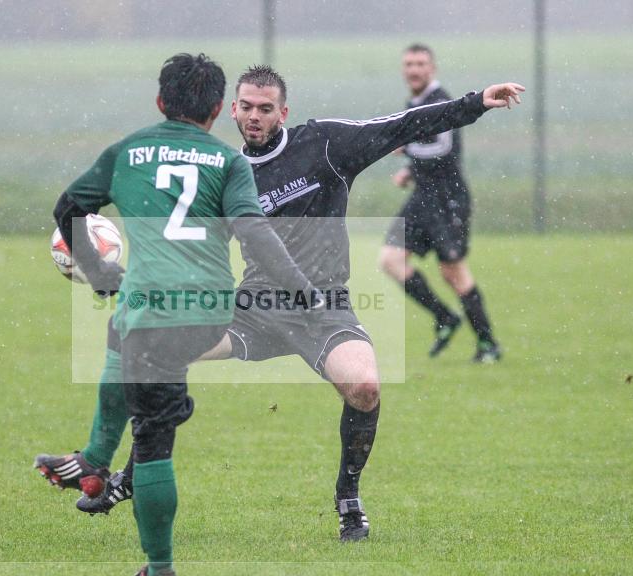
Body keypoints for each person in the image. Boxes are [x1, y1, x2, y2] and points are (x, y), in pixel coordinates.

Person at [39, 64, 524, 545]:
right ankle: (129, 473)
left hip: (322, 307)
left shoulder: (326, 145)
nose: (254, 116)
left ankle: (348, 495)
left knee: (365, 387)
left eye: (265, 109)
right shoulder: (223, 170)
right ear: (230, 110)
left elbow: (400, 125)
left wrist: (475, 101)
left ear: (283, 112)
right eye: (246, 107)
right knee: (154, 355)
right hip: (252, 308)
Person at [43, 53, 320, 576]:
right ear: (219, 109)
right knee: (119, 333)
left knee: (151, 440)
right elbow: (255, 232)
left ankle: (159, 568)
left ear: (159, 101)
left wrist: (99, 269)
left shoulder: (128, 152)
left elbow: (68, 208)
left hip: (155, 312)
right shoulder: (228, 161)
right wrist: (303, 290)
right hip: (209, 313)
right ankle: (96, 462)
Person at [380, 44, 503, 362]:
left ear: (432, 68)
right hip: (424, 198)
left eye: (420, 63)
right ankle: (444, 317)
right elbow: (429, 152)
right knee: (391, 259)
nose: (414, 69)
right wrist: (410, 170)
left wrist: (405, 150)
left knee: (453, 273)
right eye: (409, 64)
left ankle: (488, 344)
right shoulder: (415, 102)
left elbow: (444, 148)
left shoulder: (440, 101)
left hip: (448, 201)